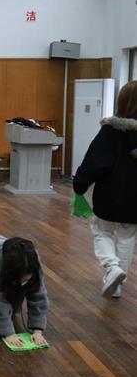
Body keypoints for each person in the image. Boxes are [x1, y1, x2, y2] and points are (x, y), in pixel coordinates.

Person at [73, 81, 137, 298]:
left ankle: (112, 268)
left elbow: (95, 163)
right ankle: (117, 285)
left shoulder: (111, 132)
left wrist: (80, 185)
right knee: (127, 237)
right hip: (135, 199)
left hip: (110, 195)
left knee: (102, 231)